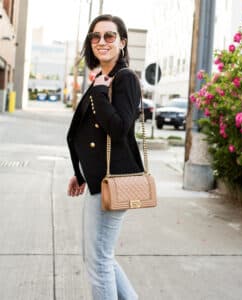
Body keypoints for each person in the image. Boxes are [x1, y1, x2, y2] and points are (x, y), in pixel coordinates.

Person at [66, 14, 143, 300]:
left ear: (122, 42)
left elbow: (120, 129)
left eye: (109, 36)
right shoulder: (102, 77)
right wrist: (82, 172)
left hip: (114, 181)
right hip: (99, 180)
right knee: (100, 257)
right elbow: (90, 135)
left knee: (98, 261)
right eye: (95, 37)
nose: (102, 41)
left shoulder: (124, 79)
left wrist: (99, 93)